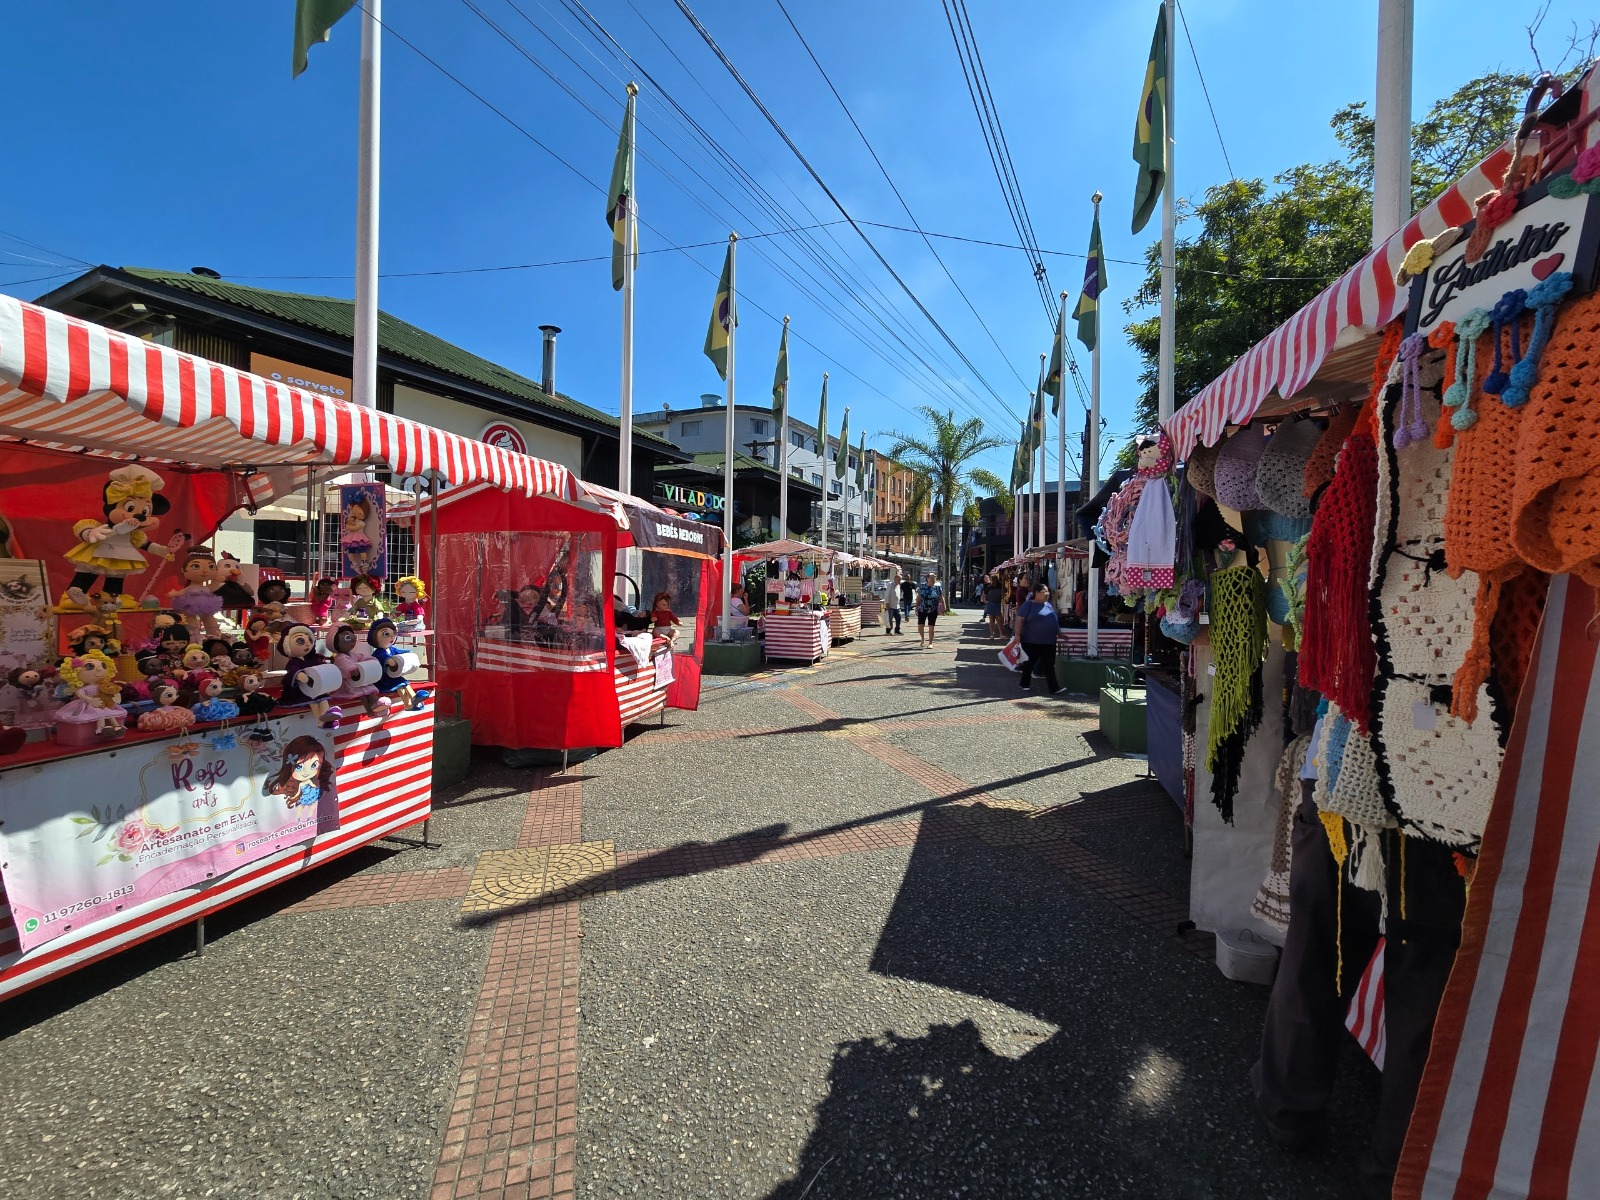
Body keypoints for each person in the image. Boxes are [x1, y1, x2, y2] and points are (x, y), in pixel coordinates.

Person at [1014, 583, 1061, 694]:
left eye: (1047, 591)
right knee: (1029, 664)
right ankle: (1024, 684)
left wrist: (1059, 633)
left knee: (1049, 665)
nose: (1047, 594)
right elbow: (1019, 620)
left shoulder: (1048, 605)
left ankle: (1054, 688)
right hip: (1031, 641)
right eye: (1045, 591)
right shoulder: (1028, 605)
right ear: (1037, 593)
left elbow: (1053, 620)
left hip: (1049, 641)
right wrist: (1017, 635)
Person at [915, 572, 945, 649]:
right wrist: (916, 607)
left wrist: (944, 607)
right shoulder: (922, 586)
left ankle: (930, 642)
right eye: (931, 578)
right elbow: (918, 598)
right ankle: (922, 639)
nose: (932, 579)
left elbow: (941, 597)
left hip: (933, 609)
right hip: (922, 608)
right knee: (920, 626)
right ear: (927, 579)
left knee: (931, 626)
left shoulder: (937, 587)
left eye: (933, 578)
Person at [982, 574, 1004, 641]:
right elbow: (984, 595)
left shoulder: (990, 587)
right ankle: (999, 634)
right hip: (995, 604)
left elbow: (984, 595)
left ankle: (993, 634)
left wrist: (986, 601)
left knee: (993, 620)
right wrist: (985, 601)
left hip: (993, 604)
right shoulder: (991, 587)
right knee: (998, 620)